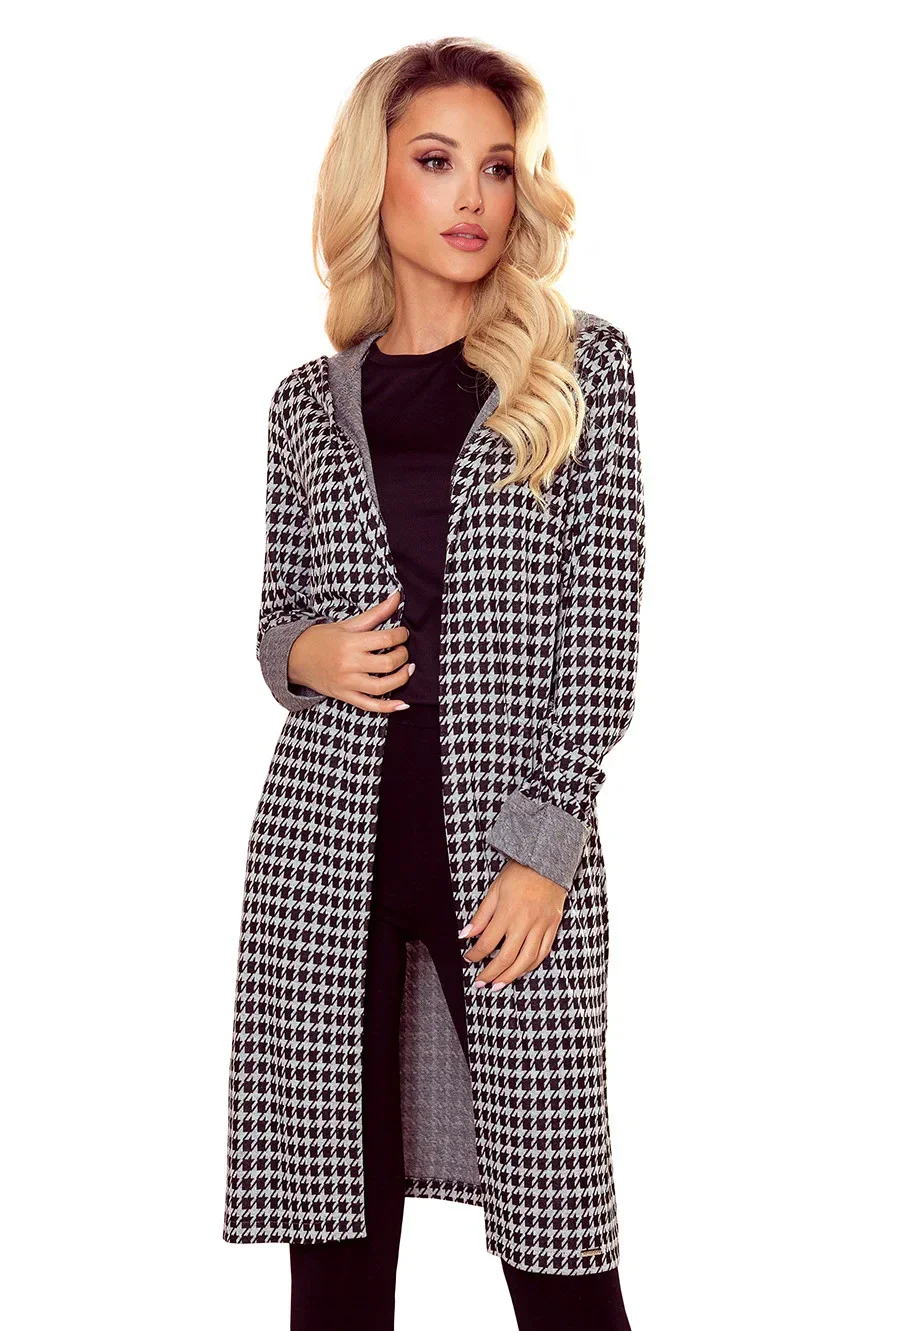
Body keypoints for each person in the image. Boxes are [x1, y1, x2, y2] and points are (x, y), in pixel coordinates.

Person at [224, 37, 645, 1331]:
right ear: (377, 180)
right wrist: (305, 655)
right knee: (335, 1269)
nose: (472, 195)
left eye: (499, 168)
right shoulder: (308, 403)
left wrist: (544, 851)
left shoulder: (580, 369)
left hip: (509, 866)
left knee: (562, 1256)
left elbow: (604, 636)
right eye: (437, 160)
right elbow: (276, 621)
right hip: (324, 858)